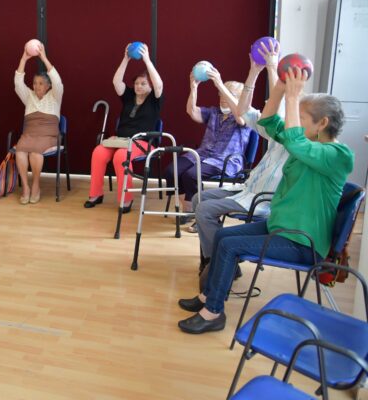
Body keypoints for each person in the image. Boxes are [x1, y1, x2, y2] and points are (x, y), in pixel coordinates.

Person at [177, 67, 354, 334]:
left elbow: (295, 144)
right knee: (224, 238)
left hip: (302, 241)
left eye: (302, 118)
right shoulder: (306, 142)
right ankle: (208, 298)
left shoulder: (337, 155)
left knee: (228, 247)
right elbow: (268, 122)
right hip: (280, 226)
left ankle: (213, 313)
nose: (296, 122)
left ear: (323, 123)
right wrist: (281, 91)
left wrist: (294, 98)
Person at [191, 41, 286, 267]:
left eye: (269, 106)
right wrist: (254, 71)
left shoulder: (288, 135)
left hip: (261, 200)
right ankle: (215, 257)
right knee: (198, 198)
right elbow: (244, 110)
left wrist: (273, 68)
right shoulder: (269, 129)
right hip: (247, 190)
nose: (266, 108)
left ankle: (218, 262)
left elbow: (276, 108)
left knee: (204, 209)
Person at [84, 43, 163, 211]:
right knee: (98, 152)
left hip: (142, 143)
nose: (138, 86)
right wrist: (125, 59)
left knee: (121, 156)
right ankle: (96, 194)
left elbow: (159, 85)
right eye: (136, 83)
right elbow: (116, 81)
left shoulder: (154, 100)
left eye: (143, 84)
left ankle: (126, 199)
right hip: (121, 140)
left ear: (149, 87)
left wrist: (147, 60)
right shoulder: (128, 97)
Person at [164, 69, 251, 215]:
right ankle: (188, 205)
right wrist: (194, 88)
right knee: (171, 171)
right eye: (222, 93)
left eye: (229, 94)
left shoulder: (246, 115)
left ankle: (193, 209)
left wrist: (219, 84)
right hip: (202, 155)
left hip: (224, 161)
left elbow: (240, 118)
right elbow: (192, 111)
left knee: (190, 175)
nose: (223, 97)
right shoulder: (214, 112)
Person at [13, 42, 63, 204]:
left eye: (41, 83)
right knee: (20, 151)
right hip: (29, 134)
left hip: (48, 135)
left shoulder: (55, 95)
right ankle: (25, 187)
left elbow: (57, 81)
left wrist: (44, 58)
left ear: (48, 86)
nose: (37, 86)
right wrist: (23, 59)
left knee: (35, 153)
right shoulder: (29, 96)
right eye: (35, 83)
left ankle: (35, 185)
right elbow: (18, 82)